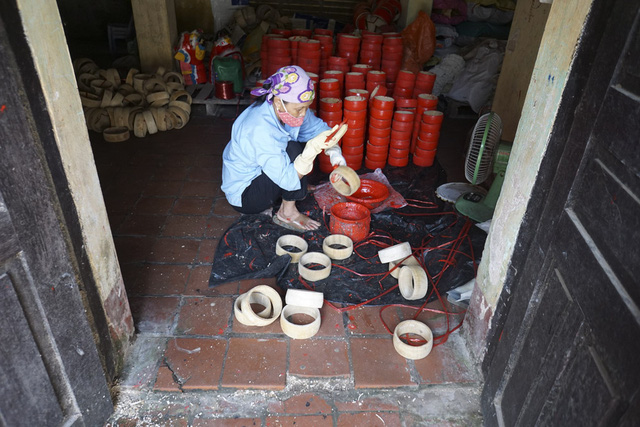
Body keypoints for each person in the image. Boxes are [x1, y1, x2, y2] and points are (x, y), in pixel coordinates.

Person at [221, 65, 348, 231]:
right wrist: (309, 153)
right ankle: (287, 213)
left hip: (264, 171)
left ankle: (295, 188)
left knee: (301, 144)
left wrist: (334, 152)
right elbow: (288, 179)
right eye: (299, 109)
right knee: (296, 151)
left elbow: (318, 130)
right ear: (278, 103)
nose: (303, 114)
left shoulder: (289, 107)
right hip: (246, 195)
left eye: (306, 107)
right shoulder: (259, 128)